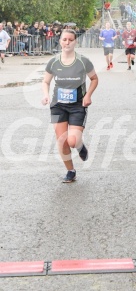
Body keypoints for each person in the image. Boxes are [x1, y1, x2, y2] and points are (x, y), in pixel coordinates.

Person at [41, 29, 98, 183]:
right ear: (60, 41)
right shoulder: (53, 61)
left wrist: (88, 95)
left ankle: (80, 147)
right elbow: (46, 81)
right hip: (58, 105)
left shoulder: (83, 61)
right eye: (64, 39)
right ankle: (70, 171)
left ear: (75, 42)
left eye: (70, 40)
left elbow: (94, 79)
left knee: (72, 141)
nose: (67, 42)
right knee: (61, 140)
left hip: (77, 105)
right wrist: (46, 95)